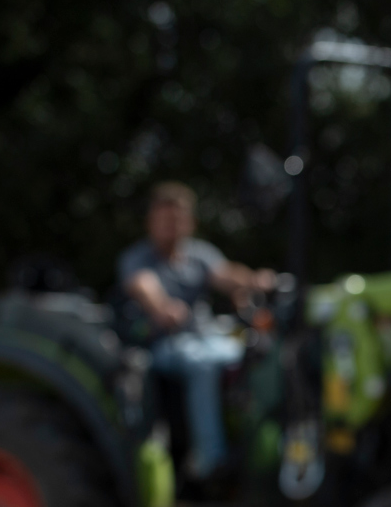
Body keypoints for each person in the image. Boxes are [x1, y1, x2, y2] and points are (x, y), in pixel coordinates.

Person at [118, 181, 277, 480]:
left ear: (189, 222)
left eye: (177, 219)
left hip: (208, 337)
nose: (171, 226)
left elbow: (226, 275)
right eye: (165, 219)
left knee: (260, 351)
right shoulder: (138, 258)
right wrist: (163, 307)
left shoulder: (199, 254)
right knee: (202, 364)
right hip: (164, 345)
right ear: (151, 222)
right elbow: (143, 286)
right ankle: (211, 462)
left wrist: (256, 280)